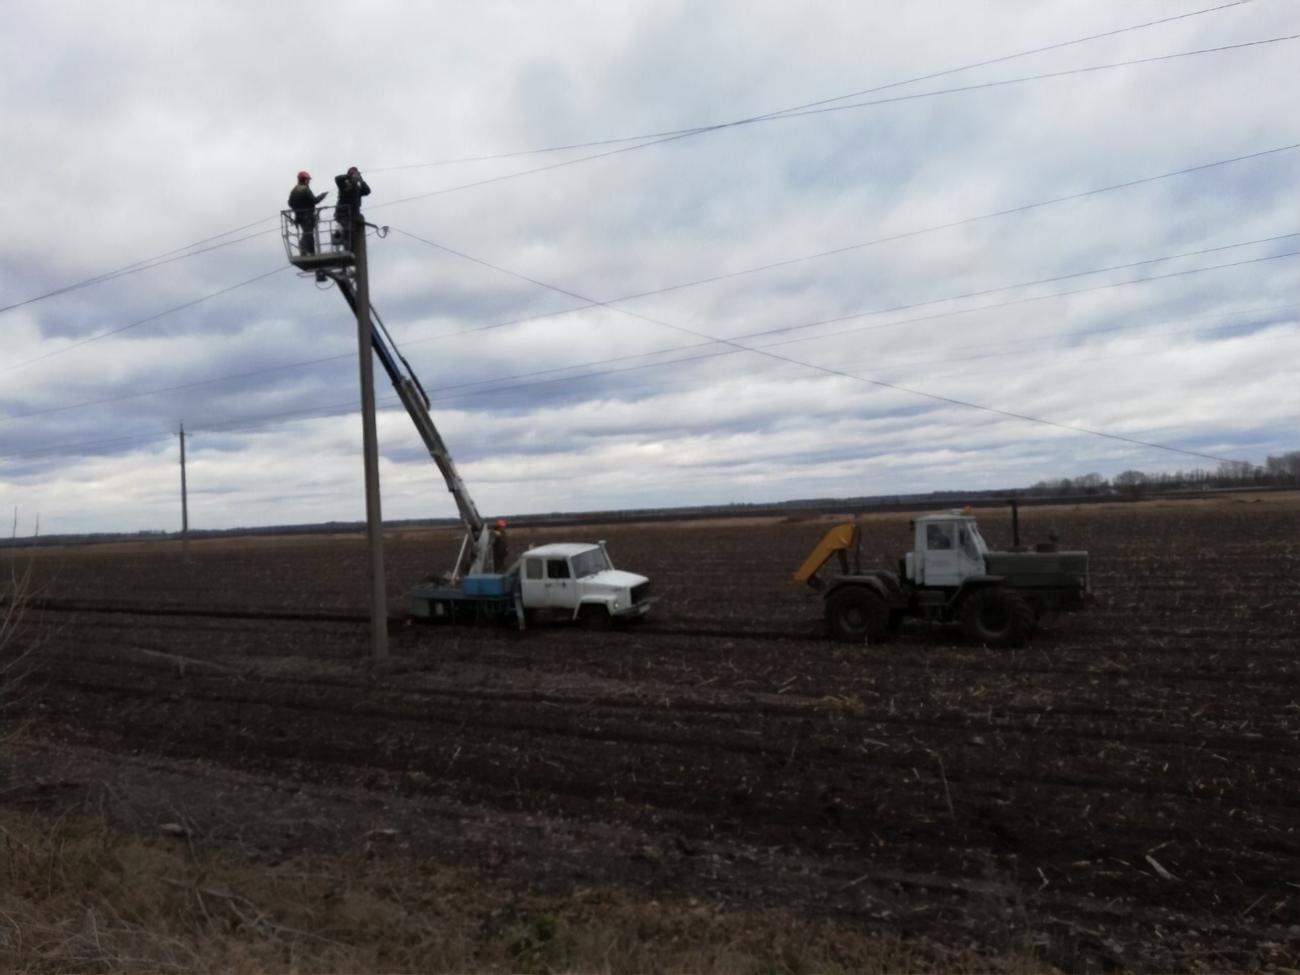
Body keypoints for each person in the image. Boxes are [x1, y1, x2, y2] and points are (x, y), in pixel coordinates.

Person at [287, 171, 328, 255]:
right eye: (308, 180)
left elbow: (290, 203)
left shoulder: (294, 190)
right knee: (309, 233)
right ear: (305, 180)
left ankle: (304, 248)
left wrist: (298, 208)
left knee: (306, 232)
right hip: (307, 216)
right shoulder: (305, 190)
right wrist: (322, 196)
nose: (309, 182)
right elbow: (314, 200)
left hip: (299, 217)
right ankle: (311, 252)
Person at [333, 166, 371, 250]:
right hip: (343, 214)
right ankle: (344, 245)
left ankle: (349, 249)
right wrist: (349, 176)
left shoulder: (357, 189)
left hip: (353, 215)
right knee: (347, 231)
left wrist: (361, 180)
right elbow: (337, 179)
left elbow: (367, 191)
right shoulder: (344, 185)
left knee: (351, 234)